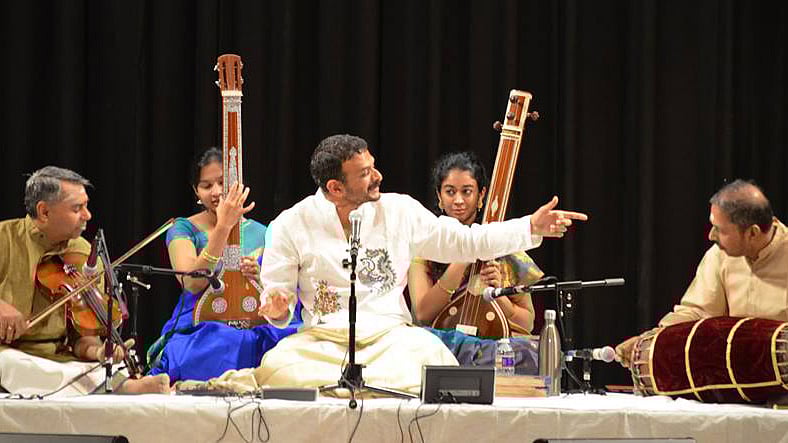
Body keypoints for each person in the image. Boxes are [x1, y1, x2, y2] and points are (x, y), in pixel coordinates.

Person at [179, 134, 587, 395]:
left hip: (391, 337)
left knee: (431, 366)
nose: (378, 176)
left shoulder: (400, 211)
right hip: (322, 342)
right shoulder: (292, 223)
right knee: (281, 373)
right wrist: (277, 306)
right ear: (336, 188)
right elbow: (277, 292)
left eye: (373, 166)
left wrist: (530, 227)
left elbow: (468, 240)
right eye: (365, 173)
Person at [0, 166, 170, 396]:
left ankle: (115, 383)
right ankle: (123, 388)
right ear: (44, 212)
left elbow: (83, 341)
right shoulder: (5, 238)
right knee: (13, 364)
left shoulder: (84, 254)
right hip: (9, 352)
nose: (87, 215)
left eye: (86, 206)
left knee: (103, 368)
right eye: (77, 208)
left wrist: (99, 352)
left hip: (59, 357)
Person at [147, 148, 301, 382]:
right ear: (195, 191)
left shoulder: (264, 232)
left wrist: (259, 277)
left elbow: (280, 290)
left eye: (222, 182)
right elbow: (191, 282)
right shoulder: (183, 229)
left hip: (254, 319)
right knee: (219, 343)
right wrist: (223, 228)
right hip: (202, 323)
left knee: (292, 343)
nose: (217, 192)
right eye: (206, 186)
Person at [616, 179, 788, 367]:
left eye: (720, 230)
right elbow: (697, 312)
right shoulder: (719, 255)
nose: (711, 236)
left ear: (752, 233)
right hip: (735, 383)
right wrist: (648, 342)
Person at [407, 152, 544, 368]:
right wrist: (466, 253)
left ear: (481, 196)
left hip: (492, 349)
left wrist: (497, 295)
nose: (458, 200)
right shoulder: (425, 249)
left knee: (527, 352)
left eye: (467, 192)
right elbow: (423, 314)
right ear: (439, 197)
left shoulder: (505, 247)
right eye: (450, 192)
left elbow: (526, 322)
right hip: (442, 349)